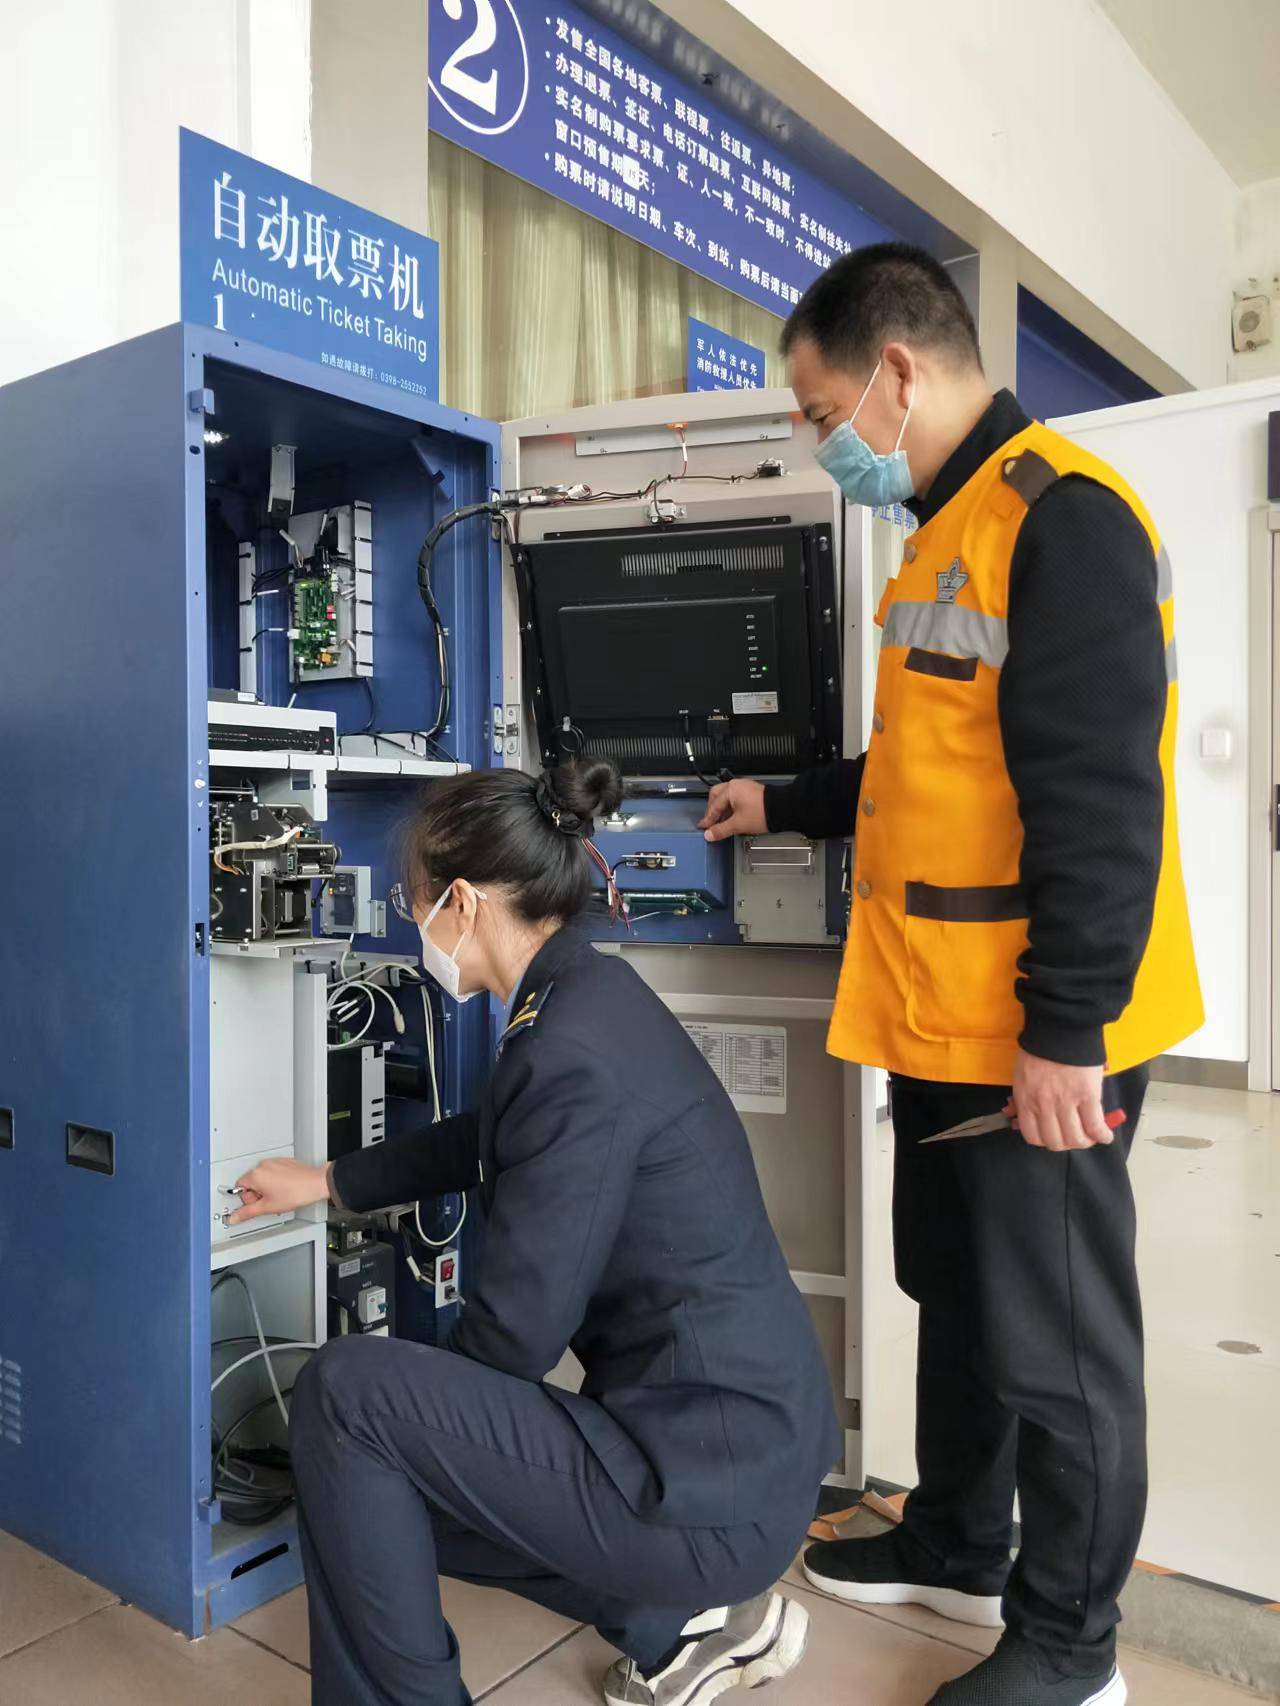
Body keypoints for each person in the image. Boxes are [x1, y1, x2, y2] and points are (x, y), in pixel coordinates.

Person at [700, 243, 1202, 1706]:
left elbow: (1101, 808)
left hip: (1034, 1034)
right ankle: (958, 1538)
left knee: (1060, 1343)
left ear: (897, 372)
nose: (821, 442)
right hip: (939, 1020)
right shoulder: (943, 528)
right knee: (961, 1299)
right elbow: (927, 764)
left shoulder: (1064, 521)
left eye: (820, 412)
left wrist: (1067, 1031)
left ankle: (1070, 1649)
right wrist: (787, 799)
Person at [230, 758, 839, 1706]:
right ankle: (677, 1624)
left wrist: (415, 1419)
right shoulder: (586, 996)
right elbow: (494, 1136)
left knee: (347, 1404)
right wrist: (330, 1182)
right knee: (376, 1481)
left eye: (415, 900)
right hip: (737, 1449)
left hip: (706, 1486)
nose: (410, 920)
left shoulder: (568, 1052)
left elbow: (513, 1340)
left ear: (464, 903)